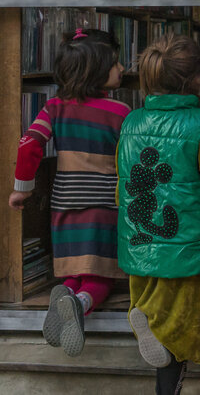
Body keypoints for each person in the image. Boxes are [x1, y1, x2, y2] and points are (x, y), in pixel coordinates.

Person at [116, 34, 200, 395]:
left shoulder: (130, 123)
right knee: (180, 334)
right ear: (196, 79)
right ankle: (153, 333)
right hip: (185, 249)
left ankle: (145, 320)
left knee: (161, 326)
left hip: (140, 244)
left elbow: (121, 184)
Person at [8, 28, 129, 357]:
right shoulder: (121, 113)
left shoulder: (54, 108)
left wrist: (23, 190)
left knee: (76, 268)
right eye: (116, 64)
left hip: (65, 201)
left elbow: (30, 144)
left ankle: (67, 294)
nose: (123, 69)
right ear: (96, 70)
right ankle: (80, 302)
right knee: (101, 274)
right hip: (106, 205)